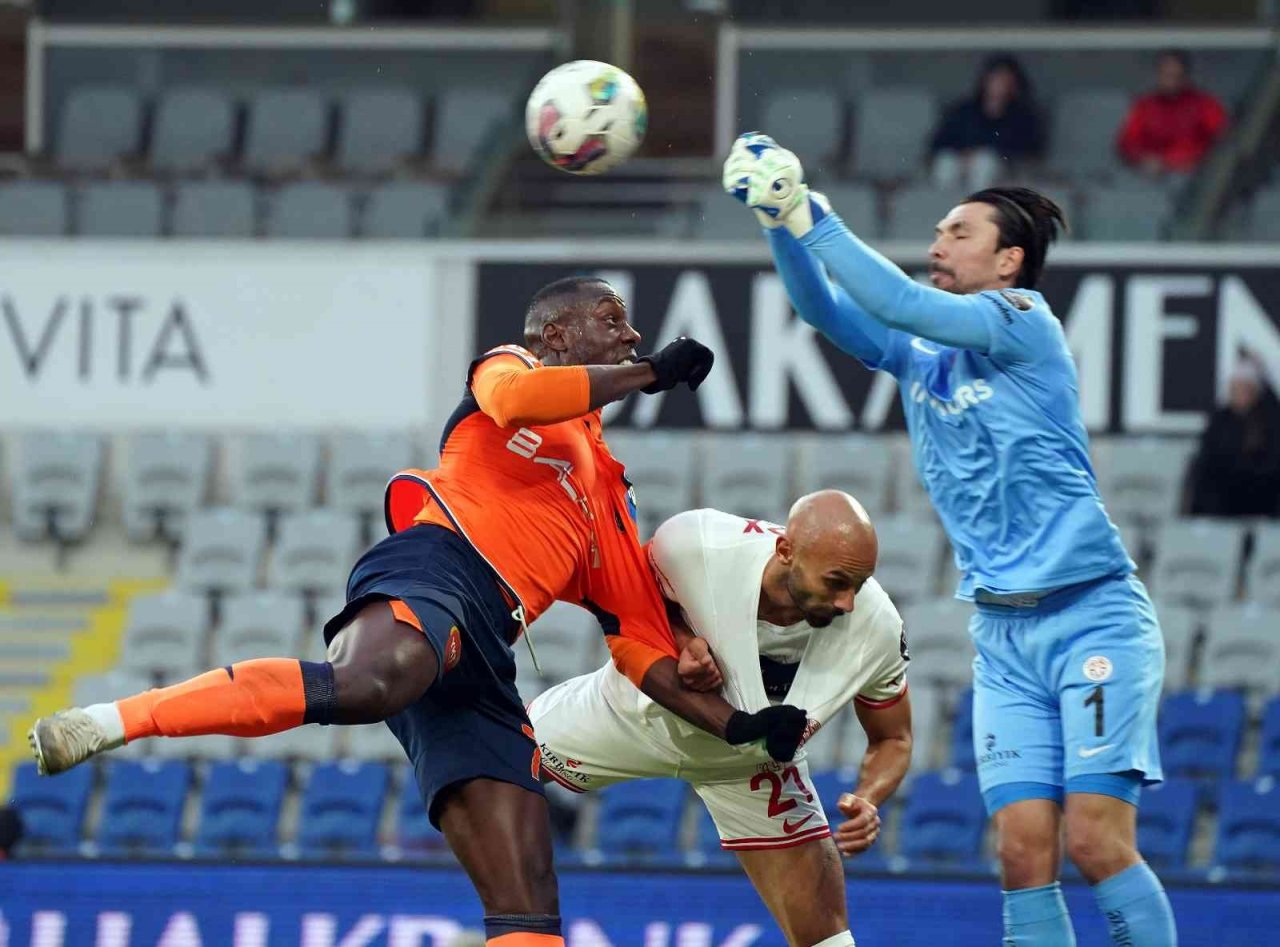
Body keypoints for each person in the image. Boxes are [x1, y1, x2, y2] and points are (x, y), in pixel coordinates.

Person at [27, 276, 811, 947]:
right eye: (612, 320)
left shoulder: (610, 497)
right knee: (372, 683)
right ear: (556, 333)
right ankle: (112, 719)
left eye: (633, 328)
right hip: (434, 567)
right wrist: (648, 371)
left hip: (487, 644)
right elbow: (516, 395)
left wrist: (739, 726)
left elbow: (643, 648)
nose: (631, 332)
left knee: (528, 892)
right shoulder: (512, 372)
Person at [721, 135, 1176, 946]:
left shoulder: (1023, 322)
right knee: (1020, 850)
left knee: (1095, 840)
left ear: (1009, 262)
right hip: (1003, 634)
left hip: (1092, 617)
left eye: (959, 232)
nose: (938, 241)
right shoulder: (920, 357)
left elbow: (900, 302)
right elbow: (823, 308)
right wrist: (775, 224)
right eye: (936, 229)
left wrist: (810, 213)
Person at [529, 491, 912, 947]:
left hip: (751, 769)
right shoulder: (698, 545)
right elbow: (627, 599)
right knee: (493, 758)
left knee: (827, 939)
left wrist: (870, 797)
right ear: (786, 551)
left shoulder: (878, 628)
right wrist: (682, 639)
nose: (849, 601)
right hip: (630, 713)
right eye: (836, 582)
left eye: (860, 583)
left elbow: (895, 739)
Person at [929, 54, 1045, 191]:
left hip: (1002, 168)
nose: (999, 85)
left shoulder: (1022, 114)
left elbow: (1028, 149)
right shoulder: (965, 109)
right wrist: (964, 155)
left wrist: (986, 153)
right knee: (946, 162)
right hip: (959, 161)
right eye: (995, 78)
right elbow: (939, 142)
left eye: (1005, 80)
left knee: (984, 162)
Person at [1188, 357, 1280, 517]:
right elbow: (1208, 463)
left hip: (1264, 495)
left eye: (1245, 388)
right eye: (1235, 388)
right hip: (1224, 499)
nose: (1239, 394)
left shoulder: (1269, 421)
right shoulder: (1219, 421)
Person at [1117, 49, 1227, 177]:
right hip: (1151, 182)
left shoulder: (1205, 105)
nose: (1172, 80)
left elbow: (1225, 141)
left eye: (1177, 75)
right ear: (1158, 75)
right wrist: (1143, 159)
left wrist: (1196, 160)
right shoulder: (1144, 106)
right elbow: (1127, 144)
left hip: (1197, 180)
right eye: (1167, 74)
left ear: (1186, 75)